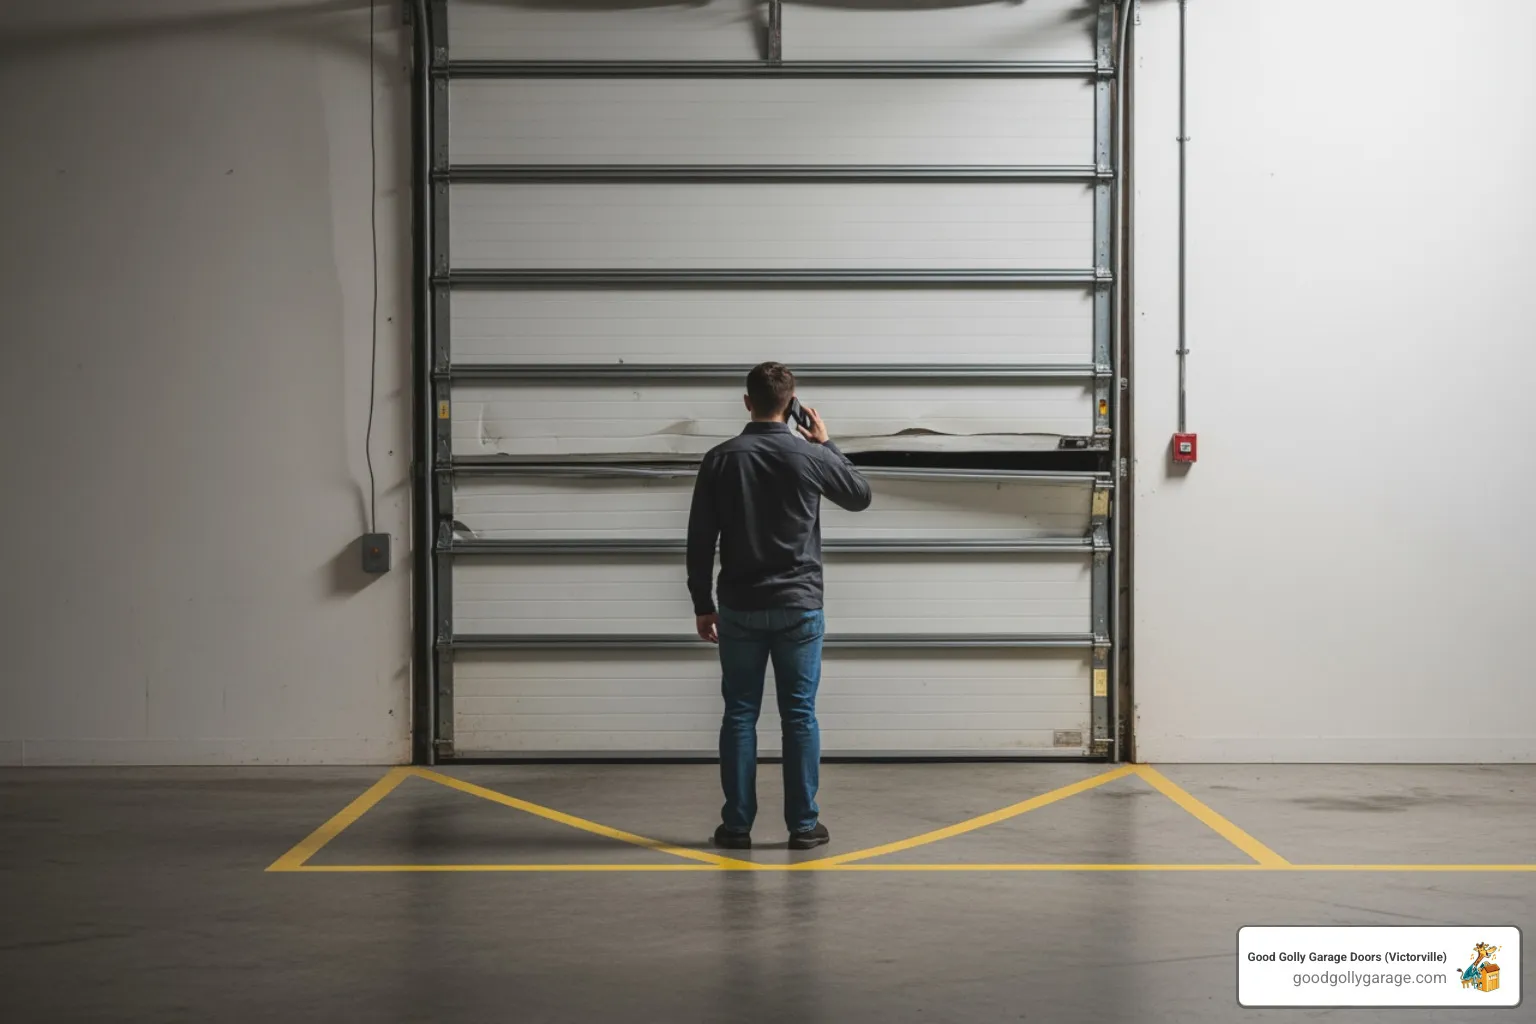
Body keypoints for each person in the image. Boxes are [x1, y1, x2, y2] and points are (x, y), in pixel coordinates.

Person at [686, 361, 872, 851]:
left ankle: (736, 827)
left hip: (739, 606)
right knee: (799, 716)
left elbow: (700, 539)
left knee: (739, 714)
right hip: (799, 606)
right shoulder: (809, 455)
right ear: (792, 405)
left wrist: (703, 603)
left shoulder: (720, 459)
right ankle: (803, 827)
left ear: (747, 402)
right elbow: (860, 496)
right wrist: (826, 444)